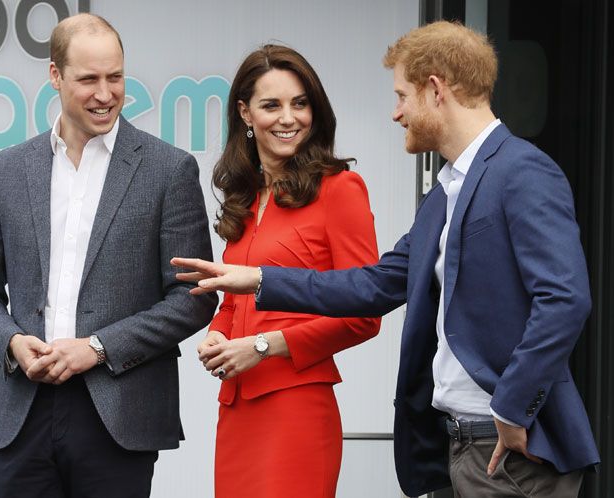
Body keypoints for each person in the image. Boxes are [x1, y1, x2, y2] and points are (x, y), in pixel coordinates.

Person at [172, 22, 599, 498]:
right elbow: (371, 286)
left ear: (434, 90)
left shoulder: (522, 170)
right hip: (454, 444)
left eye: (402, 96)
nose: (396, 113)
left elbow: (564, 300)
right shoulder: (444, 197)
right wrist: (256, 280)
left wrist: (513, 407)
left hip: (508, 446)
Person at [0, 13, 217, 498]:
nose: (105, 93)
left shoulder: (169, 169)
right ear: (55, 75)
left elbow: (193, 297)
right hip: (23, 409)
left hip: (119, 413)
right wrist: (13, 341)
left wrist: (96, 348)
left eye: (115, 77)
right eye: (89, 79)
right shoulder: (6, 170)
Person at [195, 44, 380, 498]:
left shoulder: (341, 189)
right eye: (271, 105)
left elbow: (364, 312)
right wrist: (218, 334)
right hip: (237, 409)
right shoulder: (246, 197)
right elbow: (235, 300)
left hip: (296, 409)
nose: (288, 118)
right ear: (245, 113)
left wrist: (263, 346)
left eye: (300, 103)